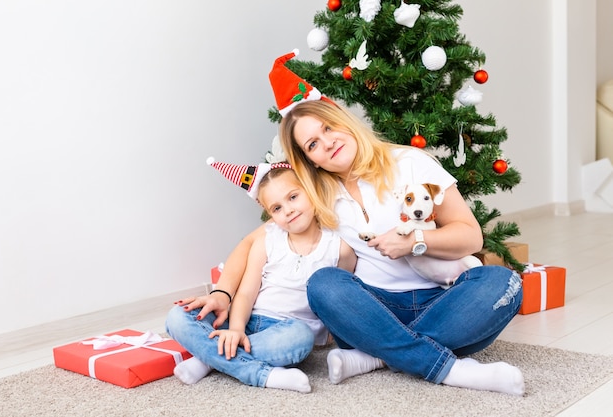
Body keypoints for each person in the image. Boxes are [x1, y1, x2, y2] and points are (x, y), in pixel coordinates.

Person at [178, 50, 525, 396]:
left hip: (443, 300)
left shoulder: (410, 161)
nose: (327, 143)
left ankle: (377, 356)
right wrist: (223, 292)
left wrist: (415, 241)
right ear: (308, 159)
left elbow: (470, 237)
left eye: (329, 128)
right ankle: (448, 368)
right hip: (368, 309)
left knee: (504, 283)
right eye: (313, 143)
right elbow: (254, 242)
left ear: (344, 120)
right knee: (325, 284)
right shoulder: (315, 195)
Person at [166, 164, 356, 393]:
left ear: (311, 190)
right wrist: (236, 328)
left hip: (286, 331)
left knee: (301, 338)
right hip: (246, 320)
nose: (288, 210)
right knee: (177, 316)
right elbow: (246, 293)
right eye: (276, 208)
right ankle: (263, 375)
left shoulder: (340, 249)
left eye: (293, 197)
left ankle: (207, 359)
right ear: (270, 215)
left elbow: (337, 300)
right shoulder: (267, 240)